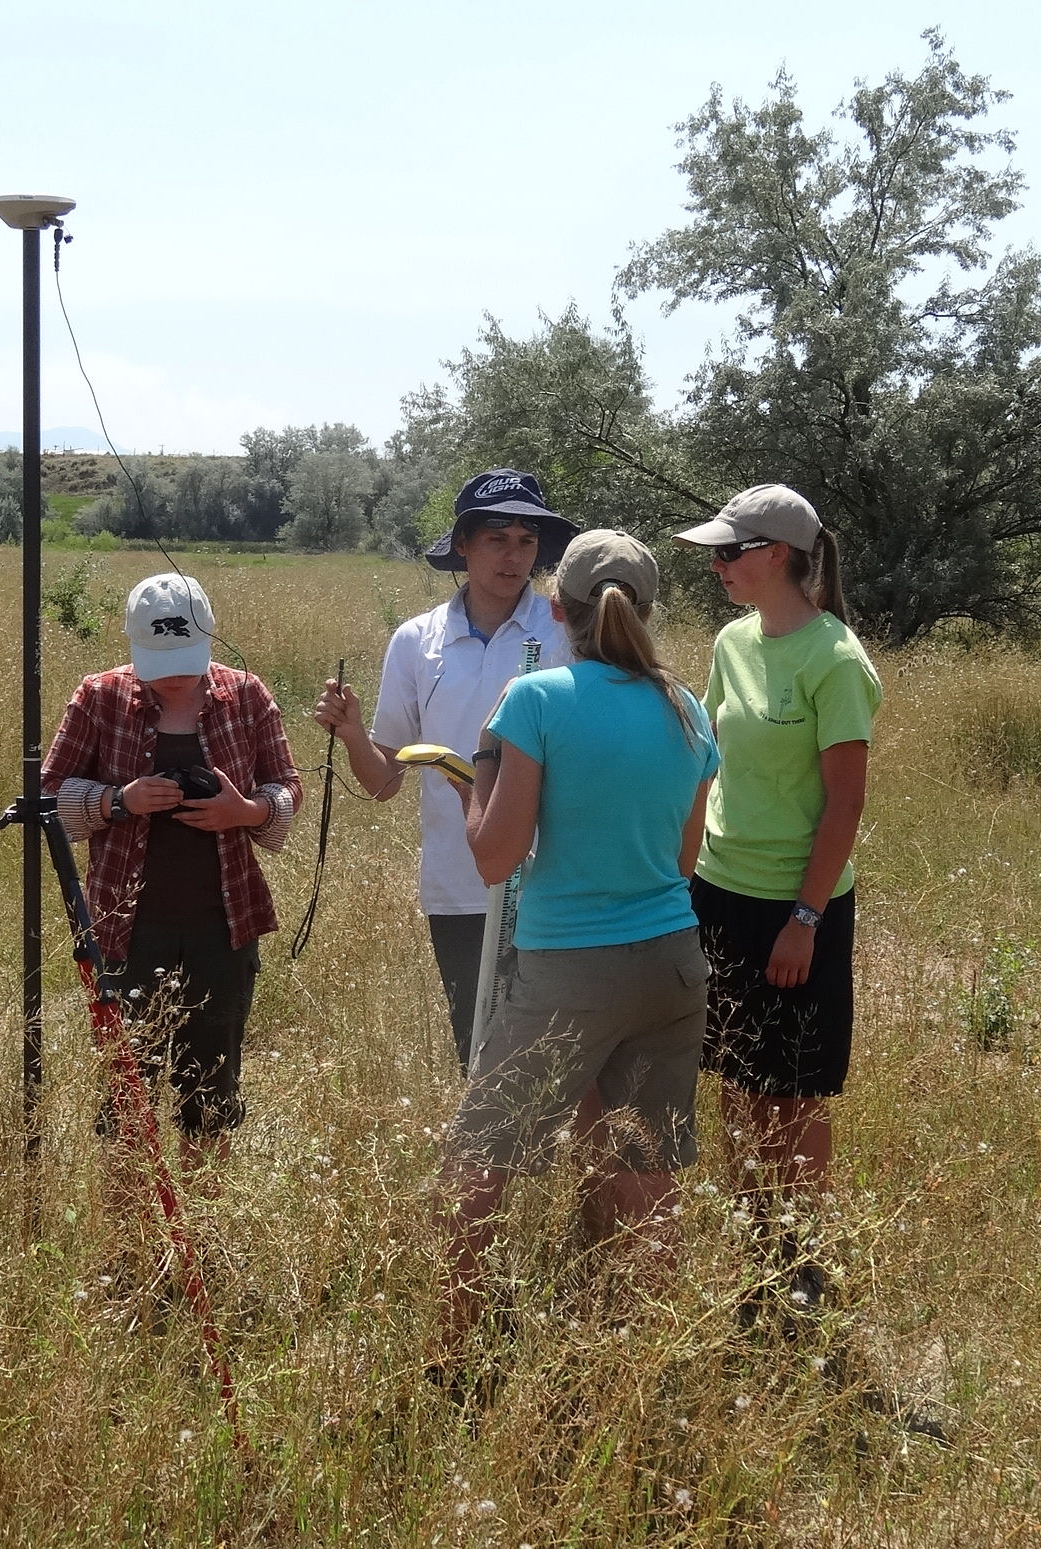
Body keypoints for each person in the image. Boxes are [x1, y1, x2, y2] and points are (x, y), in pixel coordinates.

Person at [433, 529, 719, 1364]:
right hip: (671, 959)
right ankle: (646, 1359)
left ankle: (452, 1350)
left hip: (568, 966)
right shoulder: (685, 706)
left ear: (557, 610)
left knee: (478, 1158)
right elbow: (681, 860)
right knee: (647, 1165)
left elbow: (493, 854)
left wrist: (476, 777)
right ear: (649, 609)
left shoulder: (535, 701)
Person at [673, 484, 880, 1314]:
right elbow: (712, 763)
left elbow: (846, 804)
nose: (719, 565)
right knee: (734, 1075)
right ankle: (755, 1243)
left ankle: (805, 1263)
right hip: (721, 889)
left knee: (795, 1090)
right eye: (717, 552)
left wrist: (806, 918)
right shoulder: (732, 642)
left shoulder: (834, 659)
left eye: (732, 551)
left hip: (799, 905)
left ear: (780, 556)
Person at [312, 468, 578, 1070]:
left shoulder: (565, 631)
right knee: (479, 1050)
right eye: (497, 539)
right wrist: (353, 733)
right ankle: (490, 1165)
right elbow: (383, 781)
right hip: (459, 884)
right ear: (462, 545)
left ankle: (555, 1163)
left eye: (527, 541)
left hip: (556, 878)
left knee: (558, 1056)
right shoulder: (416, 641)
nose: (514, 558)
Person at [40, 572, 302, 1168]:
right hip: (125, 929)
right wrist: (119, 801)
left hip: (223, 926)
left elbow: (286, 785)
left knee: (211, 1096)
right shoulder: (99, 697)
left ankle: (199, 1243)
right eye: (161, 662)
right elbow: (47, 794)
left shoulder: (247, 696)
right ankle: (130, 1243)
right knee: (124, 1096)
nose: (178, 675)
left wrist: (247, 811)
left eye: (187, 657)